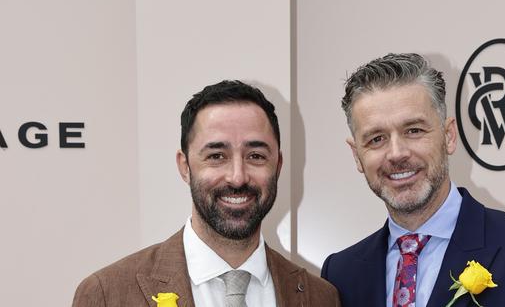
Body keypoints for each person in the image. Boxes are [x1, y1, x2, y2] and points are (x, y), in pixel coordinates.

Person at [321, 54, 505, 307]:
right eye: (376, 138)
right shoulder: (340, 275)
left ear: (449, 136)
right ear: (357, 155)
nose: (397, 153)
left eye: (414, 130)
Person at [73, 80, 340, 307]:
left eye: (256, 156)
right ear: (185, 166)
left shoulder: (320, 297)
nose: (237, 177)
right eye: (216, 156)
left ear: (278, 166)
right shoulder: (107, 294)